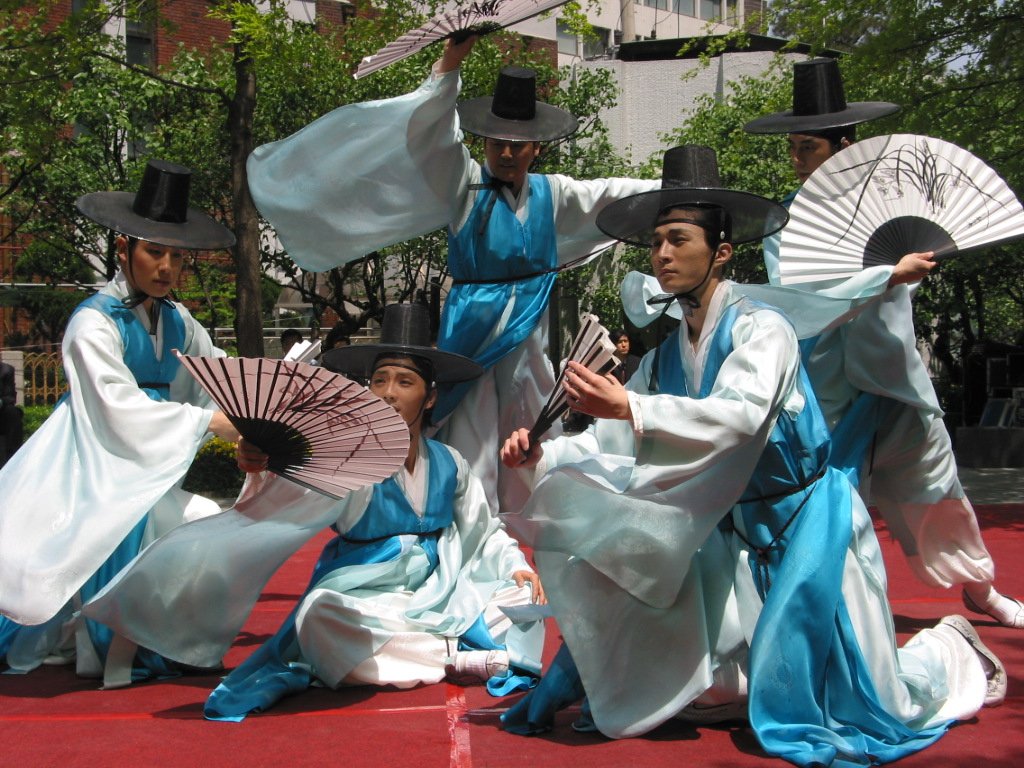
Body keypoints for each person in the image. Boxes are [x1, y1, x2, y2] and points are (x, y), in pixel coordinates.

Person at [496, 146, 1003, 765]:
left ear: (723, 251)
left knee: (865, 703)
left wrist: (631, 408)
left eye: (679, 239)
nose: (662, 255)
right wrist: (541, 456)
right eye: (656, 242)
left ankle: (953, 652)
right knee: (702, 687)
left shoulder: (764, 329)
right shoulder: (665, 355)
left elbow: (739, 417)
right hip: (730, 533)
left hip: (806, 527)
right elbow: (612, 441)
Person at [245, 35, 660, 516]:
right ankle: (468, 523)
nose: (506, 153)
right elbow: (431, 133)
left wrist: (674, 189)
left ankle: (524, 532)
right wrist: (451, 59)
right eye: (497, 142)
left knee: (528, 426)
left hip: (528, 331)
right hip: (473, 330)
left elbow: (614, 194)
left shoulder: (555, 195)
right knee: (473, 429)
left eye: (518, 145)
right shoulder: (461, 185)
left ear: (535, 150)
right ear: (484, 141)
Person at [744, 57, 1023, 629]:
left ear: (844, 145)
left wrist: (908, 270)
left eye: (806, 148)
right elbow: (806, 304)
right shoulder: (790, 225)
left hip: (895, 379)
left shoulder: (895, 203)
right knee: (830, 504)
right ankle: (826, 603)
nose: (796, 160)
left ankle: (979, 586)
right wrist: (885, 276)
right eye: (793, 148)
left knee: (941, 490)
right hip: (831, 392)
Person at [196, 302, 546, 721]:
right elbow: (297, 495)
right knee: (319, 616)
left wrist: (513, 566)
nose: (388, 393)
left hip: (441, 589)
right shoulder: (348, 459)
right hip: (368, 595)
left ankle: (431, 652)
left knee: (523, 596)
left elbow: (483, 531)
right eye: (378, 380)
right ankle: (456, 656)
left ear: (430, 396)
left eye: (405, 381)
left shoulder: (451, 461)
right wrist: (264, 465)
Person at [0, 159, 240, 687]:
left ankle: (169, 640)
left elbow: (219, 376)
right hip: (93, 462)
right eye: (155, 252)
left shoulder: (177, 320)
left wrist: (262, 402)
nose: (166, 268)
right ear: (123, 250)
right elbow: (116, 407)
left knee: (203, 519)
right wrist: (206, 424)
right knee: (174, 520)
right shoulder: (92, 323)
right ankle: (117, 642)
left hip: (146, 466)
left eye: (177, 257)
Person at [0, 359, 23, 468]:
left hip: (1, 412)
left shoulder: (6, 370)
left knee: (13, 412)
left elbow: (10, 397)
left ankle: (13, 458)